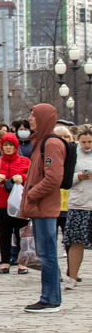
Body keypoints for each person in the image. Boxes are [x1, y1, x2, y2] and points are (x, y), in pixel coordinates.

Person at [20, 103, 67, 312]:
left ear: (43, 118)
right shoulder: (40, 142)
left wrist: (32, 194)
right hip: (40, 207)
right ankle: (50, 297)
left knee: (47, 254)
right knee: (45, 254)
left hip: (44, 207)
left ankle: (50, 299)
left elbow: (53, 178)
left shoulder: (51, 144)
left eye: (33, 115)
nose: (30, 119)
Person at [0, 132, 31, 275]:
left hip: (19, 202)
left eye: (11, 145)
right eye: (5, 145)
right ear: (1, 147)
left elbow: (33, 177)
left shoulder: (24, 161)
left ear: (16, 146)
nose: (8, 148)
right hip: (1, 202)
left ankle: (22, 262)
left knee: (21, 231)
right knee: (4, 232)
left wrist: (22, 177)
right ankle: (5, 261)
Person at [65, 125, 92, 291]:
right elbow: (66, 178)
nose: (87, 145)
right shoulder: (72, 154)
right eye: (84, 142)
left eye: (90, 141)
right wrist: (79, 176)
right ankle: (72, 278)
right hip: (79, 203)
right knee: (76, 242)